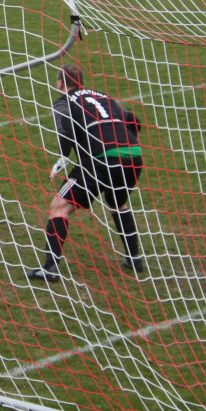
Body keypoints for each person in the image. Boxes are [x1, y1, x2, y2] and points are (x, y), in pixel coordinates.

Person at [26, 62, 145, 282]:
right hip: (133, 156)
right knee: (118, 202)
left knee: (59, 206)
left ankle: (50, 268)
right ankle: (134, 259)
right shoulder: (104, 96)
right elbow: (135, 122)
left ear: (61, 83)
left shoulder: (63, 102)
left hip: (101, 159)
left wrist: (63, 157)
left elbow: (65, 132)